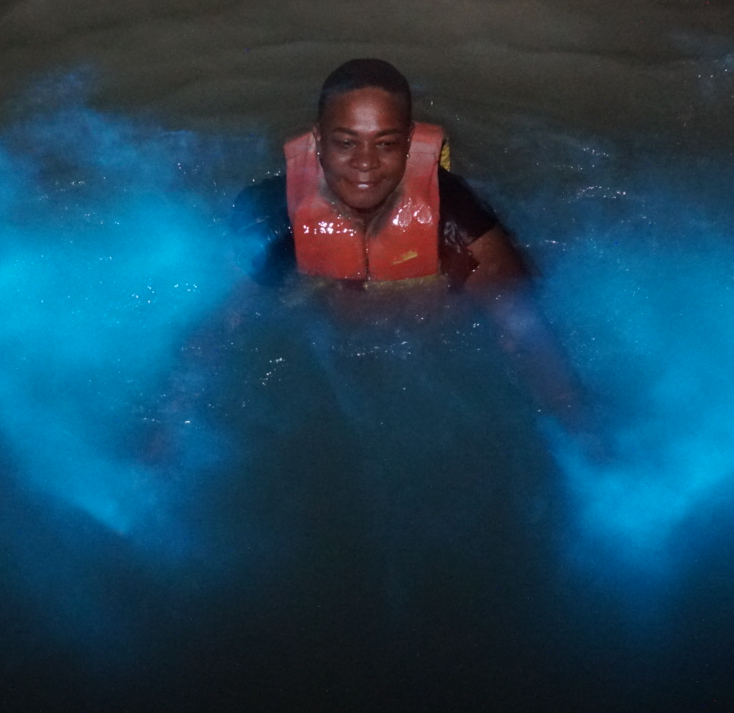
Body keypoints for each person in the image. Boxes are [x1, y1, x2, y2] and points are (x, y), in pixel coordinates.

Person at [147, 59, 595, 458]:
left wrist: (588, 447)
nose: (366, 165)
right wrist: (160, 445)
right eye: (346, 142)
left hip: (430, 328)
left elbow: (526, 331)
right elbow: (211, 333)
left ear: (409, 143)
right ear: (319, 141)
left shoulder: (456, 218)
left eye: (384, 144)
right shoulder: (275, 219)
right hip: (329, 329)